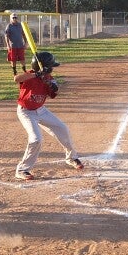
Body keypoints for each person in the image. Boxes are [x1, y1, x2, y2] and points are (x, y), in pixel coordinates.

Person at [13, 51, 84, 181]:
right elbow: (16, 79)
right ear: (43, 67)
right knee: (36, 139)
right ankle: (22, 169)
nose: (52, 69)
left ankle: (71, 158)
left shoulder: (48, 78)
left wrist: (51, 85)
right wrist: (36, 74)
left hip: (41, 110)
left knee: (63, 129)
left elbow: (55, 90)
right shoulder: (30, 76)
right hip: (26, 112)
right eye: (50, 66)